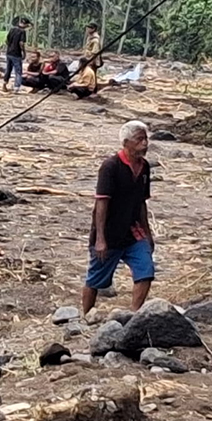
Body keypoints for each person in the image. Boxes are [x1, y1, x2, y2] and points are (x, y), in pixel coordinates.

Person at [82, 121, 155, 315]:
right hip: (110, 232)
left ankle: (134, 314)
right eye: (139, 140)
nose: (145, 144)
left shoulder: (144, 167)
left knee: (145, 270)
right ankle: (85, 316)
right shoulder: (110, 167)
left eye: (146, 139)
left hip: (132, 231)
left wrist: (148, 234)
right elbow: (101, 204)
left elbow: (141, 202)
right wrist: (100, 239)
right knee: (96, 279)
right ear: (126, 143)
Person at [2, 17, 29, 92]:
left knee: (8, 69)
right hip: (16, 54)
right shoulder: (22, 32)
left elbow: (7, 41)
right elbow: (21, 43)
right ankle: (16, 87)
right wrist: (24, 52)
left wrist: (10, 47)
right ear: (25, 24)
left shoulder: (12, 30)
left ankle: (4, 84)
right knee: (18, 71)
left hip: (9, 52)